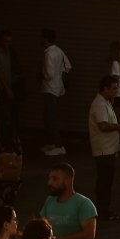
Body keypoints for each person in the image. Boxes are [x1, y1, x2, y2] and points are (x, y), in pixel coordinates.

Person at [88, 74, 120, 221]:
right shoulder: (100, 104)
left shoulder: (106, 102)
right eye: (113, 89)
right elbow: (103, 125)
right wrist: (119, 127)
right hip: (103, 150)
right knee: (104, 181)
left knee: (106, 180)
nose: (116, 92)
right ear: (105, 89)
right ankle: (102, 209)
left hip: (108, 149)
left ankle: (103, 208)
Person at [39, 29, 72, 157]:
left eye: (42, 38)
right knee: (48, 116)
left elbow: (49, 74)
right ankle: (53, 143)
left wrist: (41, 75)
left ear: (46, 39)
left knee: (50, 117)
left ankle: (59, 146)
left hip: (50, 89)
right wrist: (60, 74)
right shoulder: (59, 50)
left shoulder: (48, 54)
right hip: (57, 88)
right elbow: (68, 66)